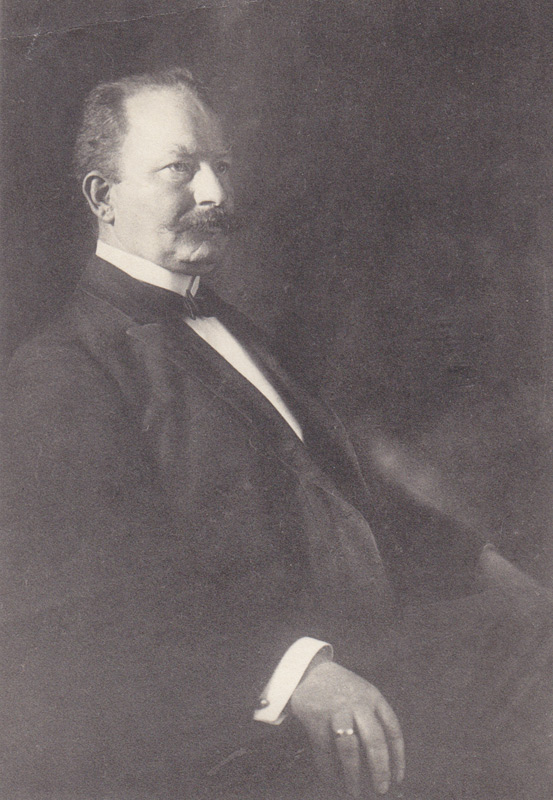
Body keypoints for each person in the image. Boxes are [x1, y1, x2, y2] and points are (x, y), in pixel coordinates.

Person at [2, 67, 552, 800]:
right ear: (103, 197)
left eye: (221, 166)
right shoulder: (62, 369)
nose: (214, 193)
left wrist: (481, 563)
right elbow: (111, 607)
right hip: (243, 722)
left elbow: (341, 480)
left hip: (376, 648)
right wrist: (291, 673)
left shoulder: (234, 326)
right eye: (179, 169)